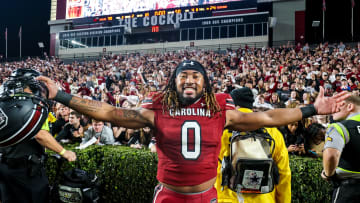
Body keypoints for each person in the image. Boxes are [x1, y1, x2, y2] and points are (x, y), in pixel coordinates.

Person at [38, 60, 348, 203]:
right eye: (183, 75)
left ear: (205, 83)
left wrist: (312, 110)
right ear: (173, 82)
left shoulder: (222, 111)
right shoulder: (156, 108)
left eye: (195, 76)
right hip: (168, 195)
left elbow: (269, 118)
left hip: (207, 197)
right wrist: (61, 96)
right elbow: (108, 112)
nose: (189, 80)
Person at [0, 68, 76, 203]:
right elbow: (40, 134)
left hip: (5, 167)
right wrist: (64, 152)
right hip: (26, 171)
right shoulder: (31, 106)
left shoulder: (5, 104)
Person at [215, 87, 291, 203]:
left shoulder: (221, 130)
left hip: (227, 198)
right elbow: (284, 174)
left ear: (234, 106)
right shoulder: (273, 132)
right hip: (263, 199)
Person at [322, 95, 360, 202]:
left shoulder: (339, 127)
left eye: (338, 105)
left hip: (349, 190)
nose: (333, 110)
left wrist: (328, 174)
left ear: (350, 106)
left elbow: (331, 155)